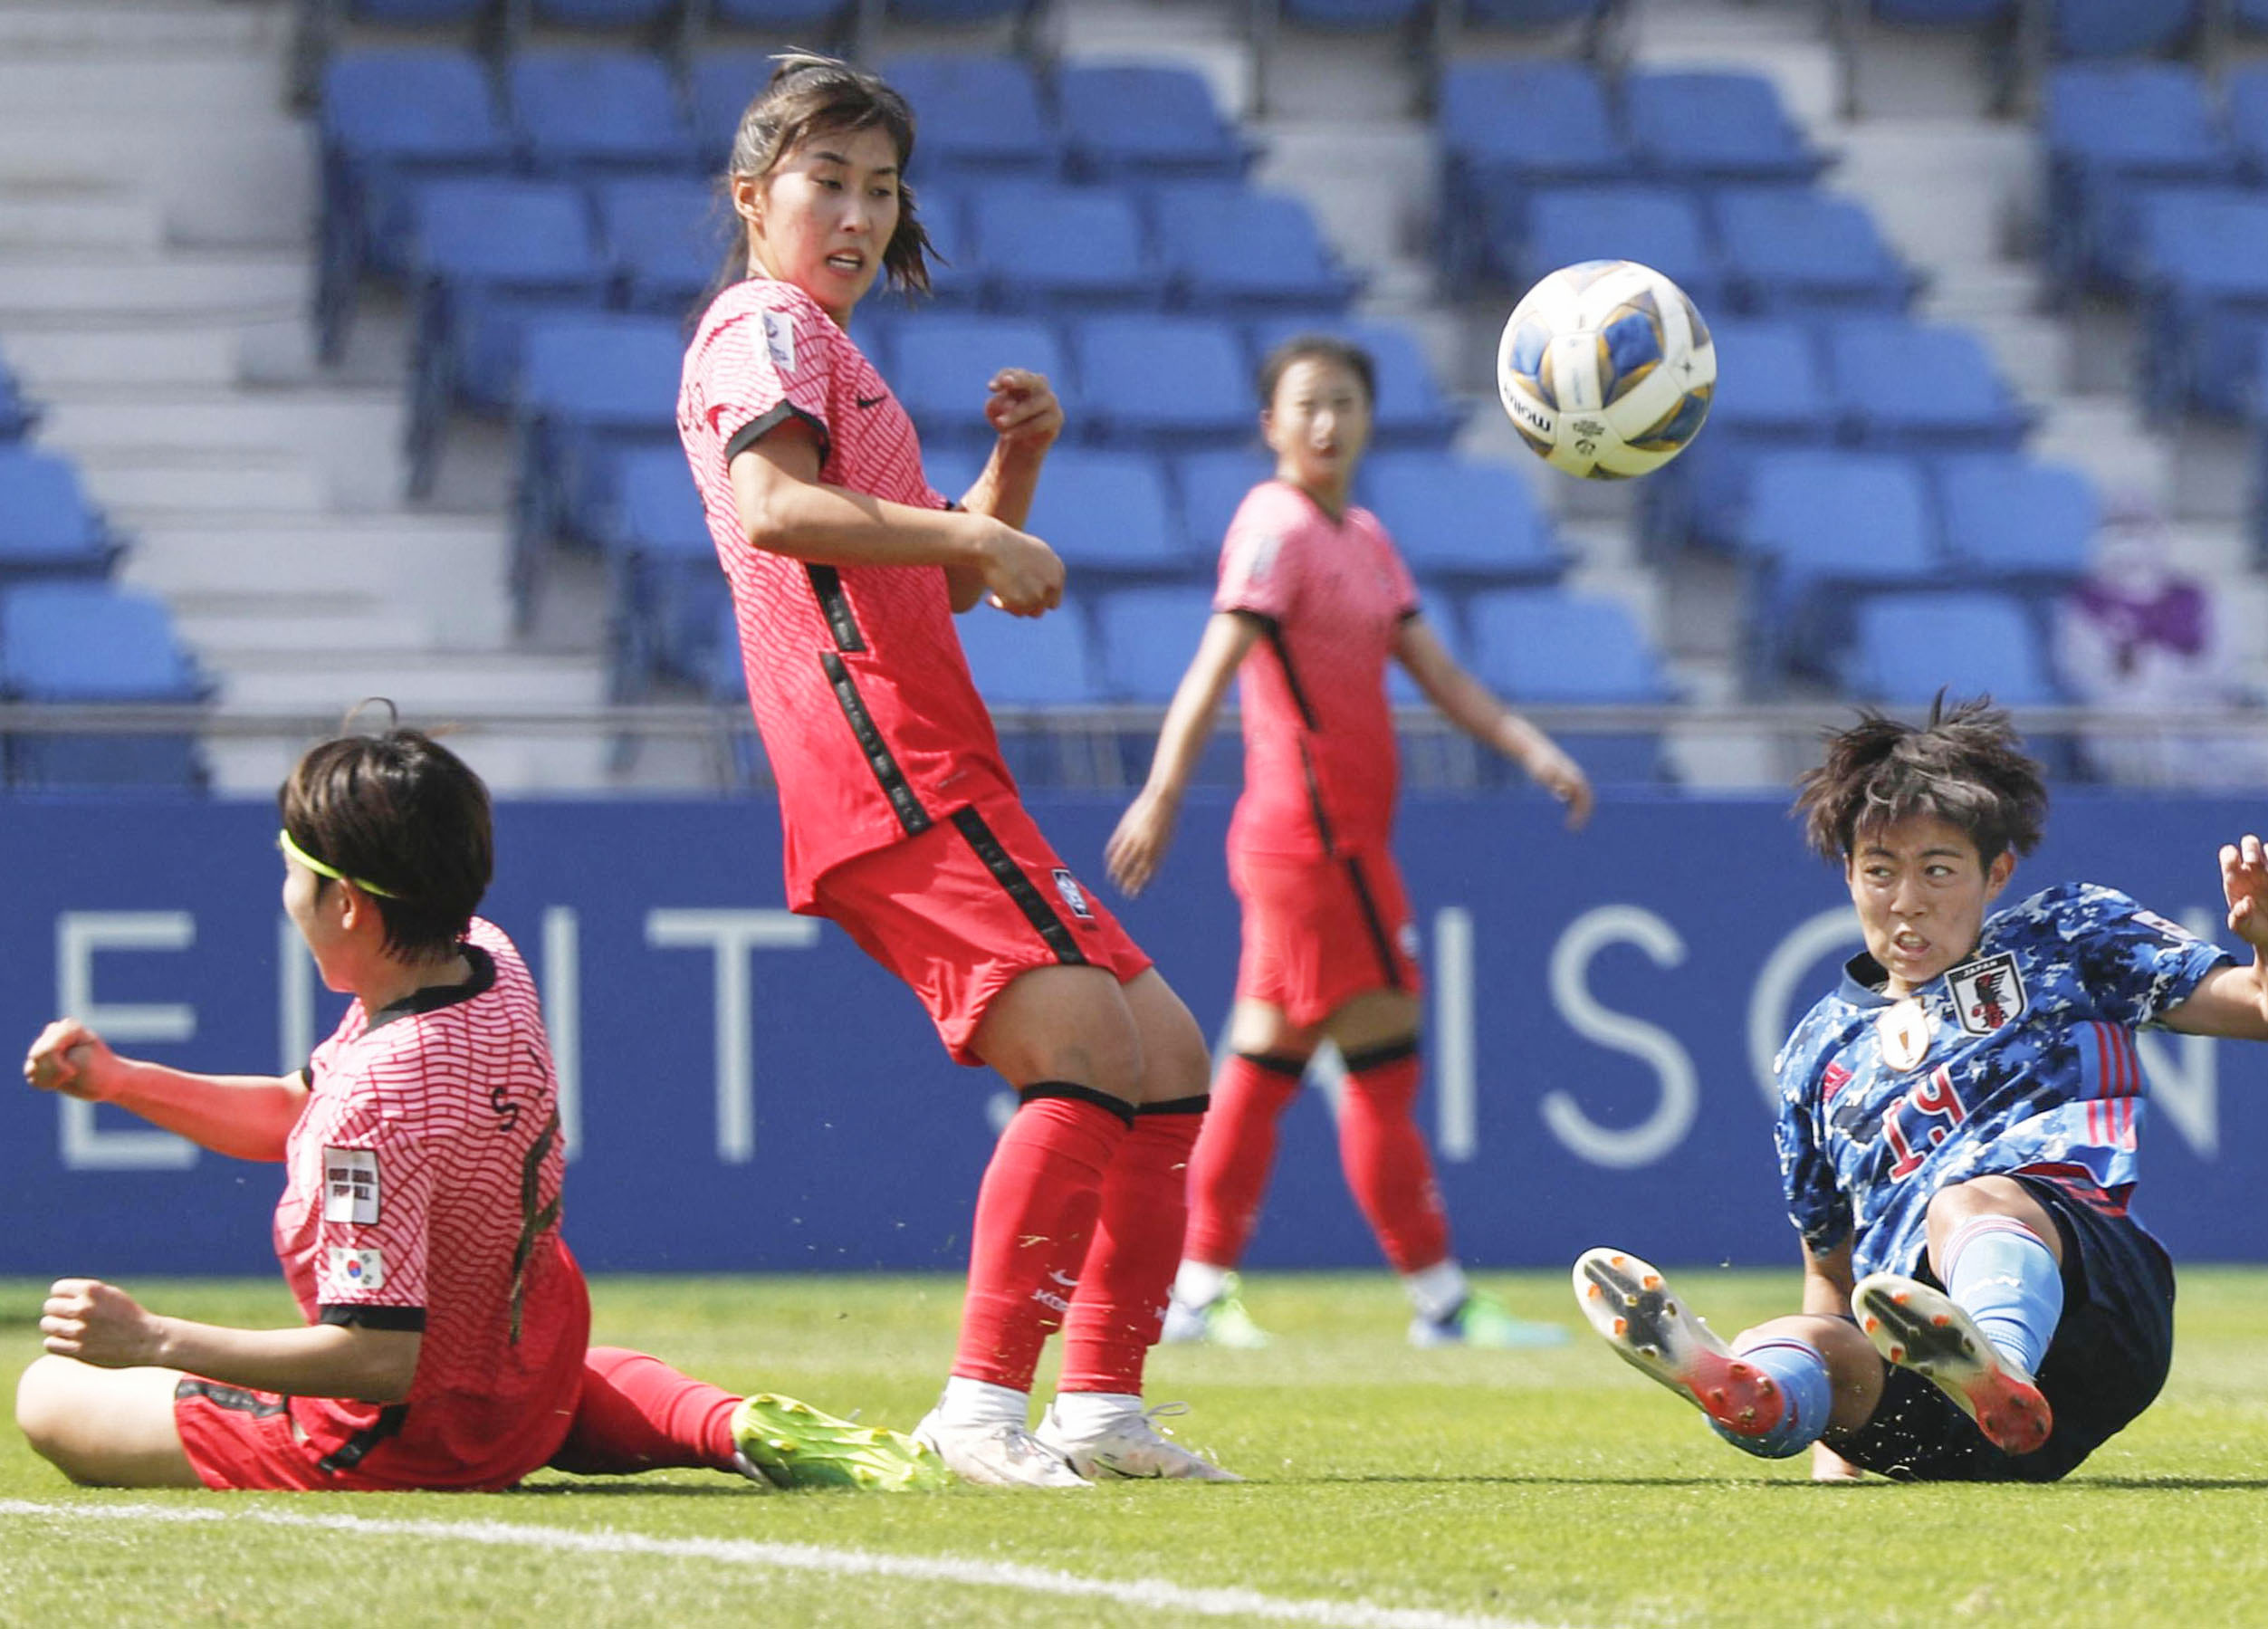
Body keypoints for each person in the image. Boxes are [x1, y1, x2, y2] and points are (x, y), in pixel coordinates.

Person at [678, 54, 1227, 1487]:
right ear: (752, 197)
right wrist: (974, 536)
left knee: (1162, 1057)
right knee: (1082, 1051)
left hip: (932, 755)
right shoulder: (761, 322)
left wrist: (1008, 476)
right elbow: (777, 505)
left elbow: (935, 578)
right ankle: (979, 1407)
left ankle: (1098, 1406)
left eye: (880, 189)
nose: (857, 215)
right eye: (827, 183)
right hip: (881, 756)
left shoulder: (828, 350)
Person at [14, 727, 937, 1494]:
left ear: (347, 905)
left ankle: (646, 1428)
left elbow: (375, 1358)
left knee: (50, 1393)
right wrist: (124, 1080)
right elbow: (299, 1108)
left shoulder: (379, 1096)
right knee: (532, 1378)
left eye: (293, 871)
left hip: (402, 1439)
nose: (284, 893)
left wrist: (154, 1338)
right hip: (529, 1371)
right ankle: (722, 1422)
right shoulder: (485, 959)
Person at [1573, 695, 2268, 1482]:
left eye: (1938, 869)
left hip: (2099, 1317)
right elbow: (1830, 1273)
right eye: (1880, 872)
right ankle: (1753, 1392)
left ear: (1995, 871)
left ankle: (1994, 1350)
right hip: (1960, 1419)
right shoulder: (1815, 1052)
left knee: (1967, 1202)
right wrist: (1837, 1449)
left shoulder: (2066, 934)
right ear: (1850, 876)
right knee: (1808, 1339)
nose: (1908, 900)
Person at [1103, 333, 1590, 1349]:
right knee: (1381, 1066)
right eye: (1307, 404)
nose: (1327, 423)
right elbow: (1213, 667)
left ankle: (1194, 1290)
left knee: (1266, 1060)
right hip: (1314, 847)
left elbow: (1439, 675)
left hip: (1338, 846)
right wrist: (1161, 794)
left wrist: (1530, 746)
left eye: (1345, 405)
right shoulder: (1274, 527)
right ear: (1270, 424)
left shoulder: (1364, 535)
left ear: (1369, 420)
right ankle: (1439, 1301)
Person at [2053, 494, 2263, 788]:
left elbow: (2224, 666)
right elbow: (2084, 676)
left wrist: (2173, 675)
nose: (2130, 539)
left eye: (2139, 526)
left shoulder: (2197, 597)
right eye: (2120, 527)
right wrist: (2145, 679)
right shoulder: (2083, 606)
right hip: (2125, 713)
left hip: (2198, 703)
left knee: (2245, 750)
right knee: (2135, 732)